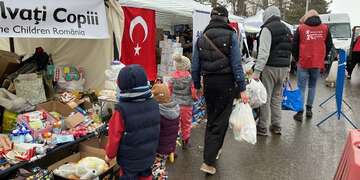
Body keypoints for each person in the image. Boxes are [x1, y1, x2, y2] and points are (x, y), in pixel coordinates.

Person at [192, 5, 248, 175]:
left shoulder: (201, 37)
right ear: (225, 18)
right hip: (226, 83)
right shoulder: (231, 35)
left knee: (212, 118)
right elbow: (237, 65)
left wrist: (197, 85)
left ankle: (214, 150)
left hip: (209, 82)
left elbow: (195, 66)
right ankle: (208, 161)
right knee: (220, 120)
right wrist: (243, 88)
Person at [105, 65, 160, 180]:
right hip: (148, 155)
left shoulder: (121, 110)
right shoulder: (154, 104)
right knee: (146, 176)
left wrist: (110, 155)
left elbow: (114, 137)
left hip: (129, 161)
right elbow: (157, 128)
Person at [252, 6, 292, 136]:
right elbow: (289, 52)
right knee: (277, 98)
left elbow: (263, 52)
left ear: (267, 16)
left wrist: (257, 71)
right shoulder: (287, 29)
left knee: (265, 97)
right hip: (284, 68)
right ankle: (276, 126)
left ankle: (262, 126)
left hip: (270, 67)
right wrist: (288, 69)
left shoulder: (267, 29)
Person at [292, 10, 333, 121]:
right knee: (312, 86)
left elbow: (294, 45)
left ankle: (300, 112)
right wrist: (322, 57)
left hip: (303, 62)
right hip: (317, 63)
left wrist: (297, 59)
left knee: (301, 87)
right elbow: (329, 45)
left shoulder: (301, 28)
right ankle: (309, 109)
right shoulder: (325, 28)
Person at [151, 83, 180, 180]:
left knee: (157, 169)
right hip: (169, 146)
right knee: (161, 165)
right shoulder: (175, 108)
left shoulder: (158, 113)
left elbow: (154, 132)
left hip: (159, 147)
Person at [169, 54, 195, 147]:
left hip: (175, 104)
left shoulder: (172, 77)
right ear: (187, 65)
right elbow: (193, 92)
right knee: (186, 123)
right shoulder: (190, 78)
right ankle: (185, 140)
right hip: (187, 105)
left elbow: (169, 90)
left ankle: (173, 141)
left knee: (175, 123)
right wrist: (195, 98)